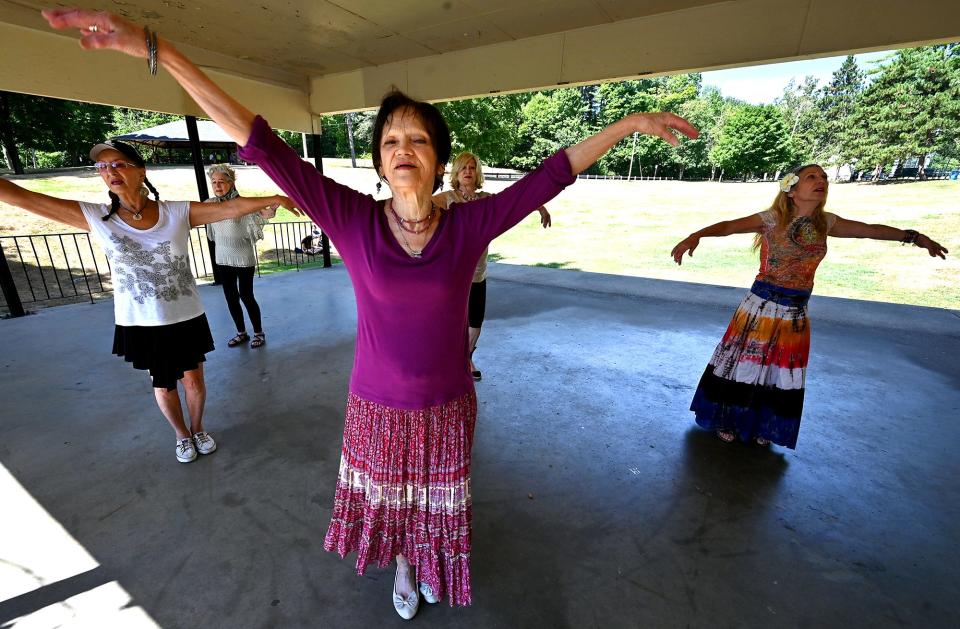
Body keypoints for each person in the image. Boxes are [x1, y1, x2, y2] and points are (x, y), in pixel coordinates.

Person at [41, 6, 697, 616]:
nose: (402, 146)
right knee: (399, 500)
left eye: (416, 138)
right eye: (389, 140)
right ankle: (407, 563)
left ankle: (429, 554)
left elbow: (551, 174)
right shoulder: (351, 218)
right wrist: (161, 51)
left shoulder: (470, 224)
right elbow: (256, 139)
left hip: (446, 405)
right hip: (377, 406)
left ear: (437, 158)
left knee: (437, 497)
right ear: (381, 160)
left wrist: (629, 124)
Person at [0, 139, 298, 463]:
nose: (110, 171)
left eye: (119, 164)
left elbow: (229, 208)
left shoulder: (176, 212)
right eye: (103, 166)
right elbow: (23, 197)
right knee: (164, 384)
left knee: (194, 380)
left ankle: (197, 428)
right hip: (143, 320)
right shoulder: (96, 217)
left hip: (185, 314)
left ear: (141, 171)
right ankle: (181, 435)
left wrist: (275, 197)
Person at [671, 164, 948, 449]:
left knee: (780, 372)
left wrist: (914, 237)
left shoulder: (826, 223)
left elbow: (870, 231)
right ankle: (729, 419)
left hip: (795, 311)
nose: (822, 181)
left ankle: (764, 423)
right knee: (747, 365)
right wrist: (697, 235)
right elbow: (729, 226)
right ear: (791, 190)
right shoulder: (770, 219)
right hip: (762, 306)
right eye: (812, 177)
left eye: (824, 177)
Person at [435, 151, 551, 381]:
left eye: (472, 168)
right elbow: (415, 206)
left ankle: (466, 357)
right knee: (450, 322)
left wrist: (541, 206)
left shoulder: (486, 200)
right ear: (456, 173)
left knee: (475, 321)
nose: (468, 172)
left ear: (477, 173)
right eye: (463, 168)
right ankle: (448, 362)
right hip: (451, 275)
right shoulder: (446, 199)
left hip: (478, 273)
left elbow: (517, 200)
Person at [205, 163, 273, 348]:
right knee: (230, 297)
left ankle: (258, 333)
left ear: (231, 182)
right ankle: (241, 332)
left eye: (222, 182)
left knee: (246, 295)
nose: (217, 186)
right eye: (214, 182)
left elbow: (263, 213)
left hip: (243, 258)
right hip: (222, 258)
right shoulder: (208, 205)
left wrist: (273, 207)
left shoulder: (242, 204)